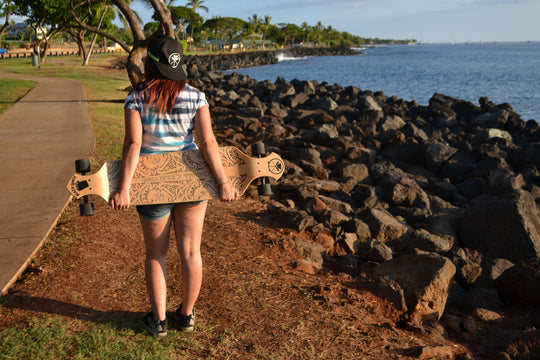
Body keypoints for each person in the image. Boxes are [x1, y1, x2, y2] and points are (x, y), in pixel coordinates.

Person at [110, 34, 239, 336]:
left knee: (157, 254)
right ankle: (187, 314)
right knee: (191, 252)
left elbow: (133, 144)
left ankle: (159, 321)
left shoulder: (136, 97)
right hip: (191, 182)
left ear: (149, 64)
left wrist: (124, 188)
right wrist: (222, 182)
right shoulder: (196, 96)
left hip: (152, 185)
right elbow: (207, 141)